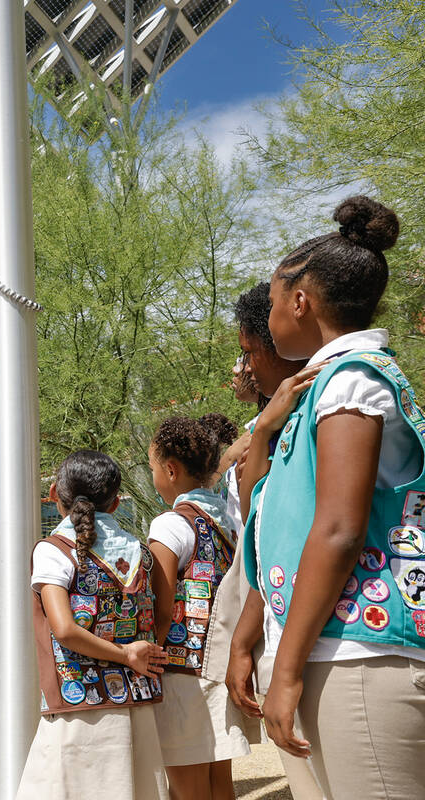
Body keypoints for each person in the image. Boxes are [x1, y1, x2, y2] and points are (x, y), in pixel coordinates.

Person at [237, 196, 424, 799]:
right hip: (330, 652)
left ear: (301, 301)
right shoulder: (320, 389)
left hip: (358, 655)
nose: (268, 321)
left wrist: (285, 669)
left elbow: (339, 529)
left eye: (270, 304)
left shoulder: (352, 379)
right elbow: (276, 529)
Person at [17, 449, 168, 800]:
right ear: (116, 503)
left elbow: (66, 630)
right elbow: (157, 618)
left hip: (79, 707)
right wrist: (135, 654)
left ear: (54, 494)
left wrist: (124, 655)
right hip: (136, 702)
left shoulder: (54, 550)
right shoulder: (141, 552)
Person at [221, 284, 322, 800]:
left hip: (330, 650)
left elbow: (329, 538)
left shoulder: (331, 408)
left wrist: (283, 671)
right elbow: (262, 533)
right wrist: (244, 643)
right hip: (282, 632)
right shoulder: (279, 421)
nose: (245, 366)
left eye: (248, 351)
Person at [146, 416, 255, 799]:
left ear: (171, 470)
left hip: (179, 673)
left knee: (185, 788)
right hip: (218, 665)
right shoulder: (228, 520)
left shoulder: (170, 525)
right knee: (217, 782)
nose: (155, 477)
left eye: (153, 468)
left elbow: (160, 609)